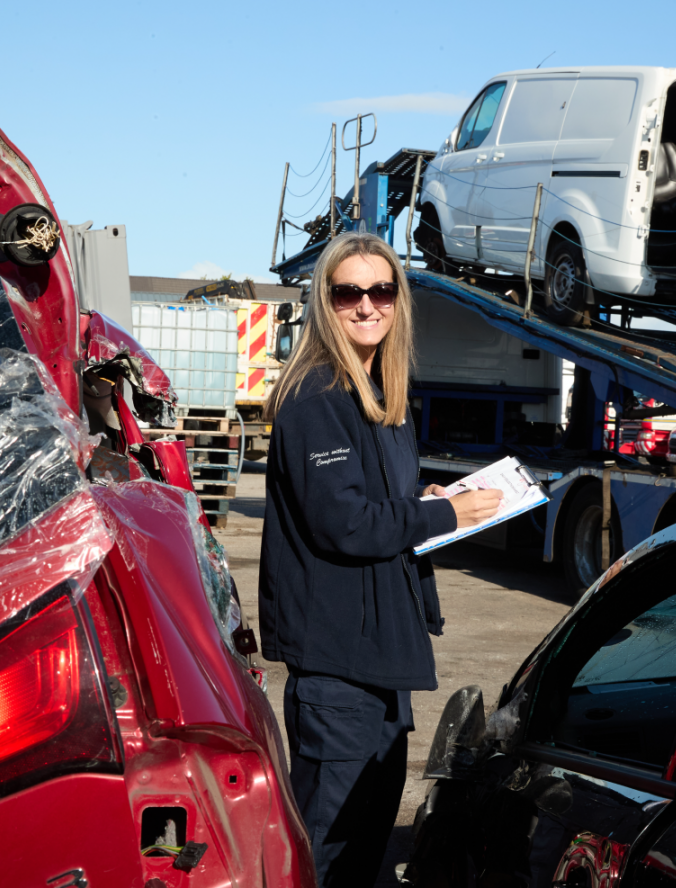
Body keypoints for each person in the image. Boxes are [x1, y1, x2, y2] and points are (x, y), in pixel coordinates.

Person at [258, 232, 502, 887]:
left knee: (363, 852)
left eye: (381, 290)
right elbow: (343, 522)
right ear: (325, 302)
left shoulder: (377, 393)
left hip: (380, 659)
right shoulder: (317, 396)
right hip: (339, 669)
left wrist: (423, 500)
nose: (367, 305)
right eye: (348, 293)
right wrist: (448, 515)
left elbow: (371, 503)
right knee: (328, 855)